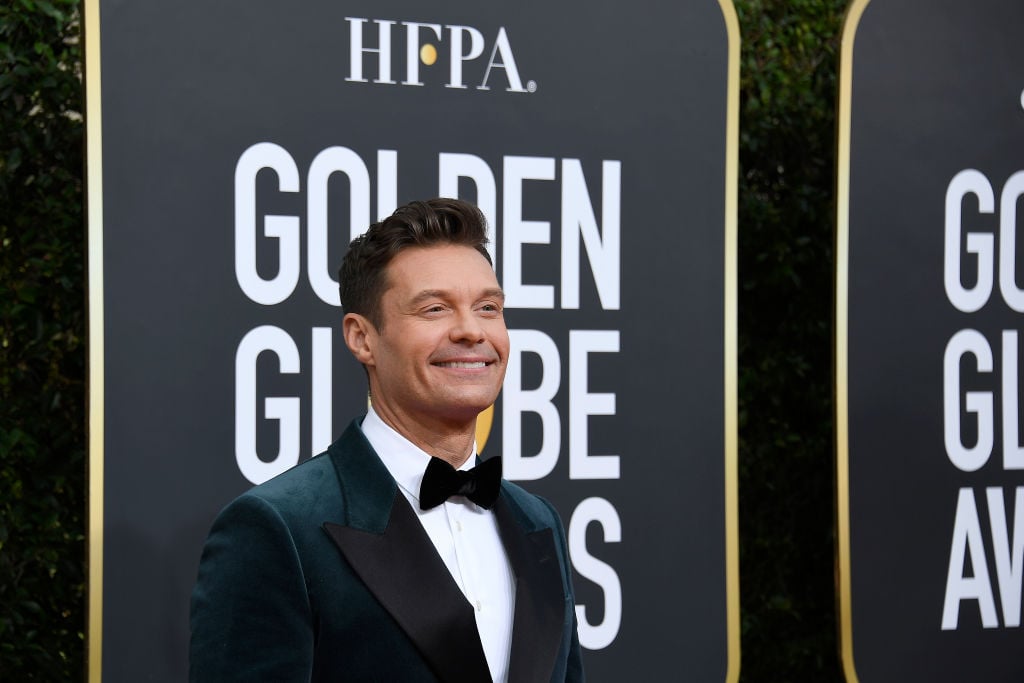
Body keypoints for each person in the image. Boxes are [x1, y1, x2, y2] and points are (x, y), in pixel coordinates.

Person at [189, 198, 584, 682]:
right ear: (362, 338)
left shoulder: (538, 521)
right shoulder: (280, 528)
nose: (470, 330)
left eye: (488, 307)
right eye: (435, 308)